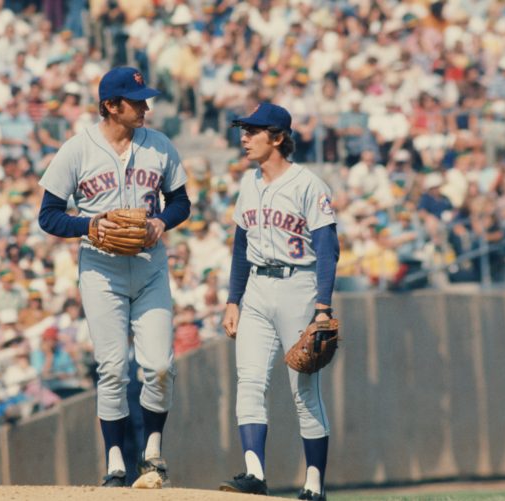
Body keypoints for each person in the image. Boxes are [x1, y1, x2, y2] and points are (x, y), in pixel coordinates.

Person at [38, 66, 190, 488]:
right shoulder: (76, 149)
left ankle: (153, 451)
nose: (145, 107)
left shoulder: (158, 145)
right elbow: (48, 216)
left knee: (159, 366)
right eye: (136, 101)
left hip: (149, 265)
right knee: (112, 367)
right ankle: (116, 462)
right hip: (100, 268)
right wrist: (88, 225)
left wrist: (162, 222)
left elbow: (181, 202)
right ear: (110, 105)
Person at [219, 103, 339, 500]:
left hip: (298, 286)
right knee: (249, 381)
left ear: (279, 137)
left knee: (304, 390)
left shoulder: (309, 184)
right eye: (243, 130)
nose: (245, 137)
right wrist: (232, 299)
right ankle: (254, 473)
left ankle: (314, 485)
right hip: (256, 288)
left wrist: (323, 305)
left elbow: (327, 248)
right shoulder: (249, 183)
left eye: (254, 131)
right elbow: (241, 245)